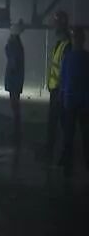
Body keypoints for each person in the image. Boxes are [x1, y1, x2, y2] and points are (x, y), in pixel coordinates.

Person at [59, 26, 89, 177]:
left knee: (69, 134)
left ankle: (67, 162)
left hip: (71, 101)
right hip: (83, 101)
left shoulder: (68, 57)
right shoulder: (86, 58)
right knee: (85, 134)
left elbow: (63, 79)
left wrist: (62, 96)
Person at [46, 10, 71, 162]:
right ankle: (52, 152)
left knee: (62, 124)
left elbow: (65, 71)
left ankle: (64, 155)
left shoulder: (66, 45)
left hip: (60, 91)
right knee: (55, 123)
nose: (54, 26)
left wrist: (61, 90)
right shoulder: (60, 44)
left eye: (56, 23)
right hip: (55, 90)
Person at [4, 19, 25, 146]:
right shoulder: (17, 45)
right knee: (15, 106)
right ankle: (16, 131)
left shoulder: (14, 46)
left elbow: (13, 63)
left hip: (14, 82)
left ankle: (16, 133)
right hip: (15, 81)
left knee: (15, 106)